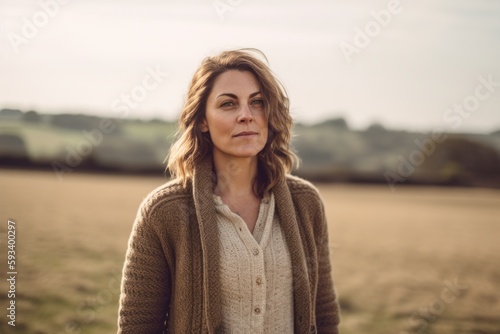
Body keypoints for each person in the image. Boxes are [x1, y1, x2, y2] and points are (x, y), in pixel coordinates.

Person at [117, 48, 340, 333]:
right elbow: (138, 326)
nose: (246, 115)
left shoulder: (305, 203)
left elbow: (324, 316)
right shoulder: (164, 211)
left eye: (257, 102)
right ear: (201, 120)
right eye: (228, 104)